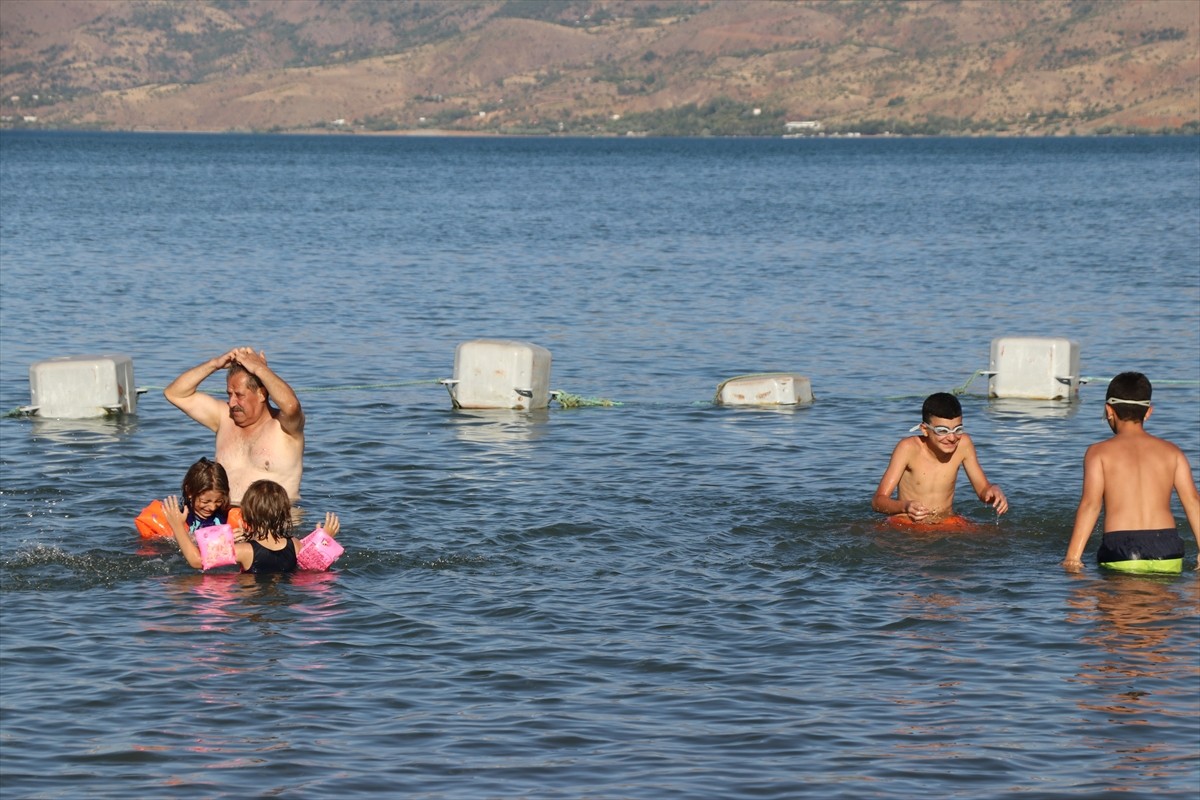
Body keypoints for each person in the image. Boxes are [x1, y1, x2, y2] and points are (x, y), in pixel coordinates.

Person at [1063, 372, 1200, 573]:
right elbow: (1193, 502)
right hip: (1168, 548)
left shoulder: (1098, 452)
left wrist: (1072, 558)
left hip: (1122, 550)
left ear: (1109, 410)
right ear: (1148, 412)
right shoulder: (1173, 452)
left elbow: (1091, 505)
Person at [164, 347, 304, 505]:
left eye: (239, 395)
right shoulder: (224, 417)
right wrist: (214, 364)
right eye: (229, 394)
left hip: (275, 518)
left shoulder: (285, 426)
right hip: (225, 516)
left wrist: (259, 369)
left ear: (261, 394)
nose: (231, 402)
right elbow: (175, 393)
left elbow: (292, 406)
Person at [872, 392, 1008, 526]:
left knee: (996, 534)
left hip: (946, 522)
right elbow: (878, 501)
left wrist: (992, 491)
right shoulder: (908, 448)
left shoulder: (964, 444)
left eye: (958, 429)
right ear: (924, 429)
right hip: (908, 523)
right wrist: (905, 506)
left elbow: (983, 490)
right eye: (943, 431)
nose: (952, 438)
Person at [165, 479, 340, 574]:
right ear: (284, 514)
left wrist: (177, 526)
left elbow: (197, 561)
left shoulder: (245, 551)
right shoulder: (294, 544)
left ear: (247, 514)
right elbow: (315, 567)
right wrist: (325, 539)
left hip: (251, 601)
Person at [178, 457, 235, 533]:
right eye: (205, 502)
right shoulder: (182, 520)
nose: (212, 508)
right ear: (189, 492)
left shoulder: (226, 517)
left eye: (219, 501)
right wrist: (179, 529)